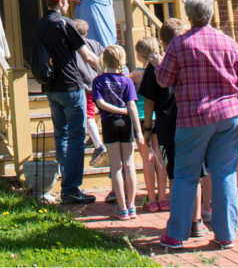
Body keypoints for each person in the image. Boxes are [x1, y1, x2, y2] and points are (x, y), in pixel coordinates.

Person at [156, 0, 238, 252]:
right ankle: (225, 234)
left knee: (185, 175)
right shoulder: (227, 41)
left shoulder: (179, 44)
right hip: (227, 114)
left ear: (189, 15)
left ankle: (177, 234)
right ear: (210, 13)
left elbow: (163, 80)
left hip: (192, 117)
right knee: (224, 174)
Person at [32, 0, 100, 205]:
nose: (68, 4)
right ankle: (71, 188)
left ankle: (65, 181)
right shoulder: (65, 23)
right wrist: (110, 69)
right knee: (76, 137)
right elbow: (87, 56)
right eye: (67, 1)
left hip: (51, 87)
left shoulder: (40, 25)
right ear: (60, 3)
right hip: (71, 86)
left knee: (61, 135)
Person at [92, 44, 142, 219]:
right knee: (129, 164)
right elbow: (132, 106)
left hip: (109, 123)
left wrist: (115, 110)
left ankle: (122, 208)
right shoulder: (127, 81)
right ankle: (132, 205)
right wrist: (139, 131)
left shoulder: (98, 81)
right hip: (126, 123)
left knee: (116, 166)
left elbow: (100, 103)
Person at [135, 35, 173, 213]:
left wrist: (146, 128)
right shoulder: (167, 66)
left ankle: (152, 198)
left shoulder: (142, 73)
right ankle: (163, 197)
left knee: (148, 158)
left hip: (146, 118)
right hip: (163, 116)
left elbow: (148, 99)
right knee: (160, 156)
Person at [73, 18, 109, 166]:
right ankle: (93, 136)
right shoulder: (94, 44)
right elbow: (105, 58)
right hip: (98, 83)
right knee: (98, 111)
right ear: (86, 32)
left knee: (88, 116)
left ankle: (99, 145)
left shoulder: (73, 48)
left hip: (85, 85)